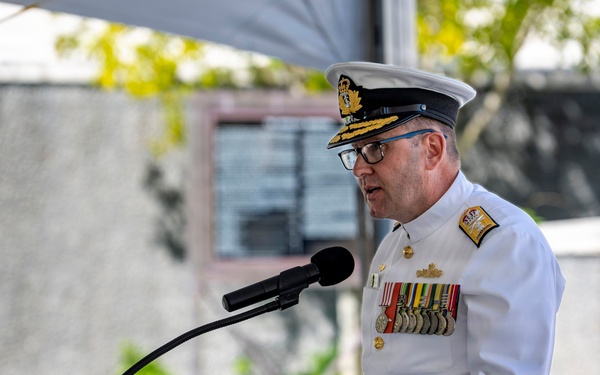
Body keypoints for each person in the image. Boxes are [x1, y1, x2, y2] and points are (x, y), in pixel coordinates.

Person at [324, 62, 565, 374]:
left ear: (432, 150)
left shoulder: (505, 241)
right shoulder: (393, 244)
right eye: (356, 151)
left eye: (375, 147)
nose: (359, 168)